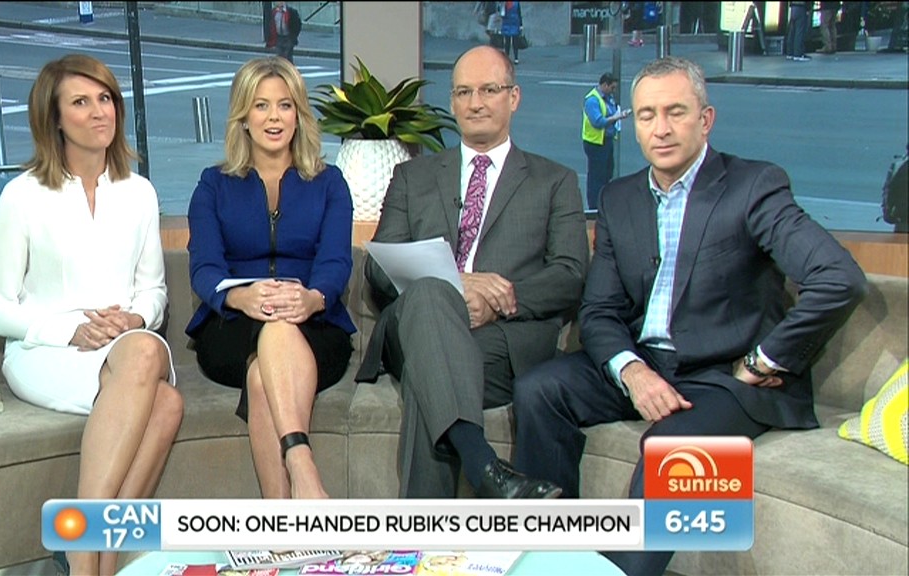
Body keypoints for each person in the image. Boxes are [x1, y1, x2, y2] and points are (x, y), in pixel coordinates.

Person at [511, 56, 867, 576]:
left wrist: (765, 360)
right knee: (539, 390)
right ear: (634, 125)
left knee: (670, 447)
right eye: (646, 115)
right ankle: (551, 560)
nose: (660, 128)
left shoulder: (753, 186)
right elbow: (600, 309)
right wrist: (633, 372)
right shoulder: (619, 198)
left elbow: (840, 278)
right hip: (647, 362)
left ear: (705, 119)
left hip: (725, 378)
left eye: (675, 112)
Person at [0, 54, 182, 576]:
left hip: (124, 346)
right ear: (55, 119)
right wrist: (70, 330)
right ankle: (89, 560)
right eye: (81, 102)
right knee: (157, 387)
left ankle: (93, 559)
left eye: (105, 98)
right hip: (45, 351)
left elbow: (153, 292)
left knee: (166, 399)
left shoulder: (139, 192)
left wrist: (133, 320)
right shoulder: (23, 196)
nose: (98, 112)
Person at [354, 45, 590, 499]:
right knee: (430, 297)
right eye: (463, 92)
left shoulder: (554, 181)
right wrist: (455, 284)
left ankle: (425, 536)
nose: (475, 102)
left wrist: (499, 299)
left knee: (431, 374)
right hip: (414, 325)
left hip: (501, 340)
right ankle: (485, 468)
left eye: (488, 90)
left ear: (514, 97)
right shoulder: (413, 176)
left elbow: (570, 273)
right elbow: (380, 266)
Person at [186, 56, 355, 500]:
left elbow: (336, 261)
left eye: (284, 105)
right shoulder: (213, 185)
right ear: (243, 117)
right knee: (272, 332)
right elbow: (204, 266)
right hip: (232, 326)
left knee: (264, 374)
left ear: (298, 115)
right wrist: (241, 296)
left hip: (316, 324)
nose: (274, 117)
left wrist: (313, 298)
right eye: (261, 106)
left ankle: (280, 518)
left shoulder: (330, 183)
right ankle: (303, 469)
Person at [582, 73, 631, 211]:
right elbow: (598, 122)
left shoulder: (608, 98)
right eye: (612, 88)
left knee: (607, 173)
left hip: (606, 140)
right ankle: (594, 206)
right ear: (605, 85)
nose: (613, 91)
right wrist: (617, 117)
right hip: (595, 143)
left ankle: (603, 202)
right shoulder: (592, 101)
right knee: (596, 177)